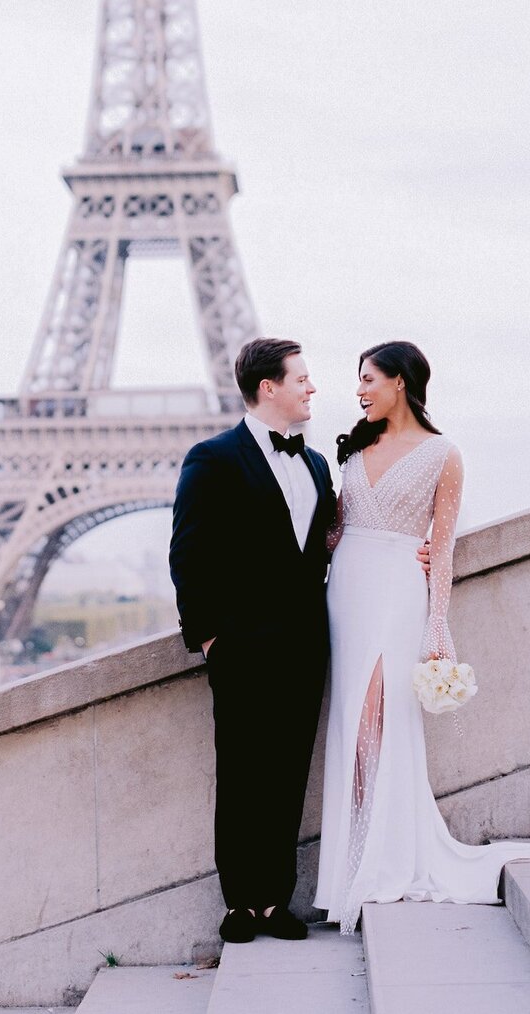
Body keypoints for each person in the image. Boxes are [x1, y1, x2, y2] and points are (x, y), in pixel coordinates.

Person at [315, 340, 530, 932]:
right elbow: (337, 529)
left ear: (400, 382)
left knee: (375, 718)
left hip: (399, 591)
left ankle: (376, 861)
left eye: (368, 379)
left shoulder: (444, 454)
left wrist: (436, 625)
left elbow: (443, 550)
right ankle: (351, 867)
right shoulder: (356, 445)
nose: (360, 391)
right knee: (350, 721)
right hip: (346, 589)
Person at [169, 337, 432, 943]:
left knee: (289, 773)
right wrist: (209, 638)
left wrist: (406, 551)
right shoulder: (211, 459)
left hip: (306, 644)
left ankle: (274, 902)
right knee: (240, 773)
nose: (313, 389)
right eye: (303, 379)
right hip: (239, 645)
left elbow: (338, 541)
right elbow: (189, 554)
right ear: (270, 388)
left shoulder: (317, 464)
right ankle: (240, 903)